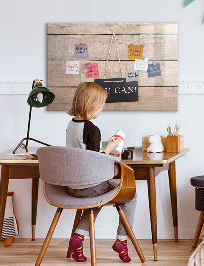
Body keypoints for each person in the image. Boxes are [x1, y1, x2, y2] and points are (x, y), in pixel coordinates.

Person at [66, 82, 136, 263]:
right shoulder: (92, 129)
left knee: (96, 197)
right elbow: (94, 161)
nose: (101, 109)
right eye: (101, 105)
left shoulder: (71, 125)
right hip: (89, 186)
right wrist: (111, 148)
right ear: (92, 105)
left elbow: (83, 154)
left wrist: (106, 150)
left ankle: (78, 238)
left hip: (72, 186)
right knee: (131, 194)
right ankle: (122, 240)